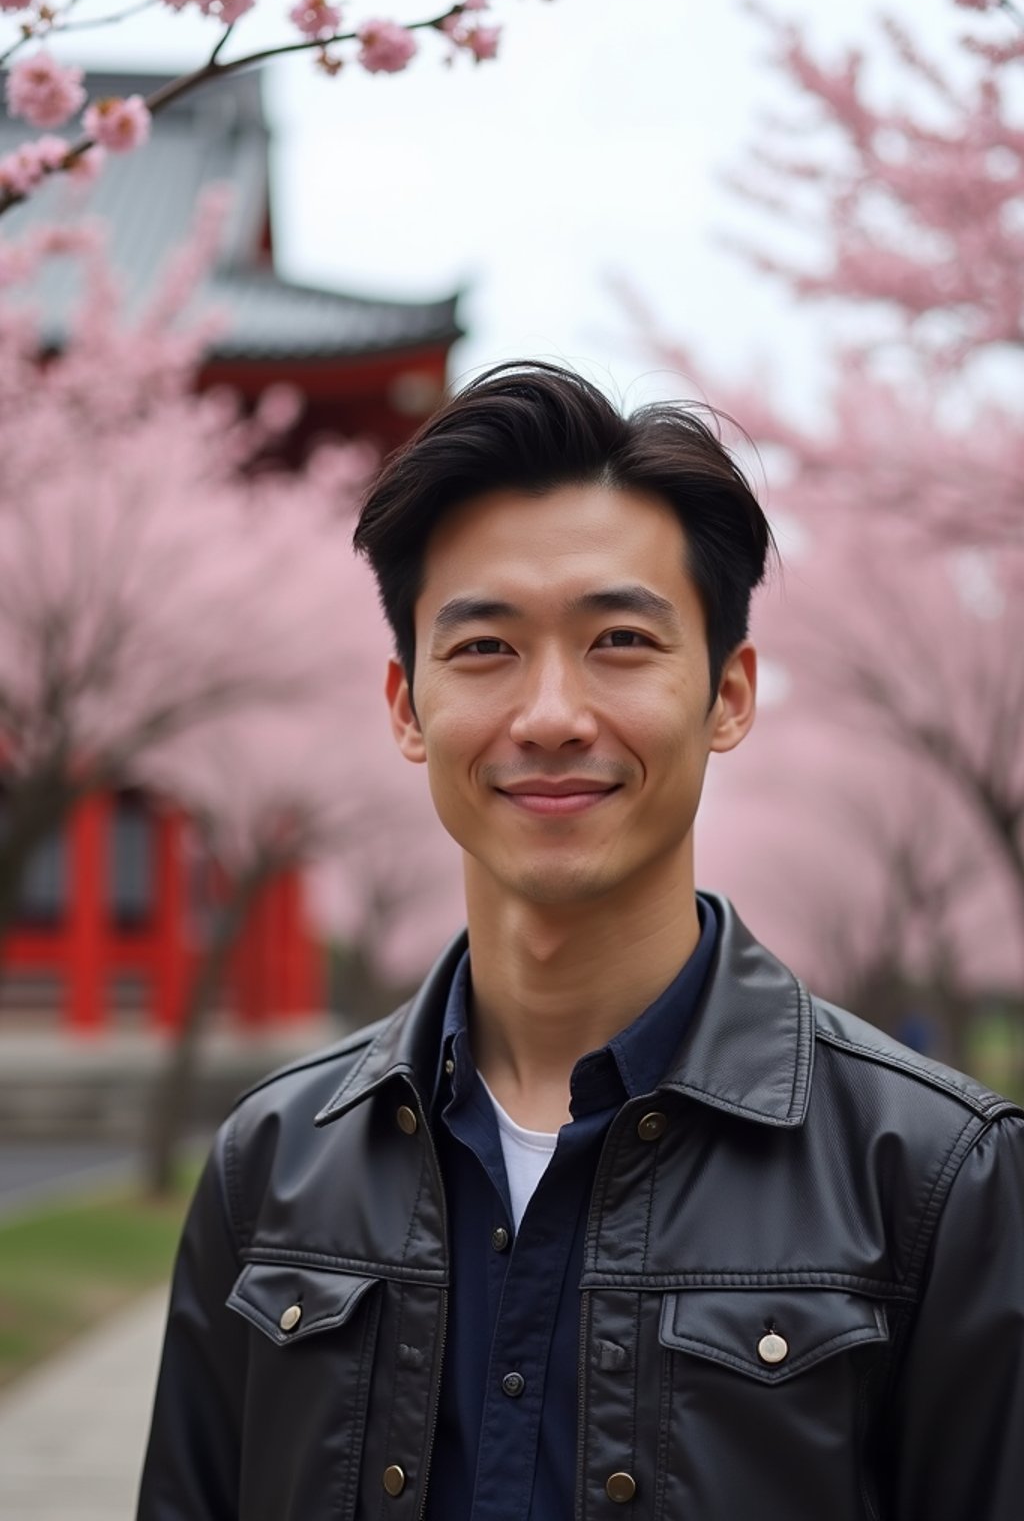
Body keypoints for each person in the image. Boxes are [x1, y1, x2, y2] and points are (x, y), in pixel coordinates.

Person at [138, 362, 1024, 1521]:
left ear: (729, 696)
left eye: (618, 640)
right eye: (485, 649)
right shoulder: (273, 1163)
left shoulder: (933, 1177)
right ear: (407, 707)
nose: (551, 715)